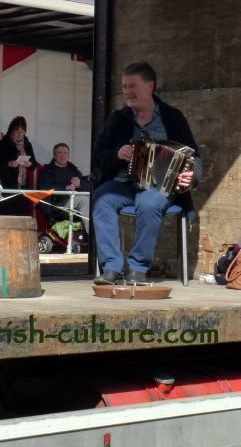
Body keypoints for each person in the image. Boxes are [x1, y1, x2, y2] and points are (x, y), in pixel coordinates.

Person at [93, 62, 202, 285]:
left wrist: (192, 174)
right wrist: (117, 153)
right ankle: (111, 267)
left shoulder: (173, 118)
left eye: (132, 86)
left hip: (159, 186)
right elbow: (99, 157)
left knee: (149, 202)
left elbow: (194, 157)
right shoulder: (118, 119)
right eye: (124, 87)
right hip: (123, 185)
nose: (127, 92)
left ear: (150, 85)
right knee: (101, 199)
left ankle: (137, 268)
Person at [37, 143, 90, 232]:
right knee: (84, 200)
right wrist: (65, 188)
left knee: (94, 200)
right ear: (54, 155)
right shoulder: (47, 170)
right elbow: (44, 189)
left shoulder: (72, 169)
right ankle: (92, 236)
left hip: (74, 202)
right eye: (60, 153)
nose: (63, 156)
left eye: (65, 153)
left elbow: (88, 186)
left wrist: (80, 184)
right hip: (55, 205)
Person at [0, 116, 37, 216]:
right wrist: (9, 164)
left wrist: (30, 164)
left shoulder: (27, 145)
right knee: (6, 217)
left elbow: (34, 165)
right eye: (17, 131)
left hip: (22, 188)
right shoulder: (2, 144)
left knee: (21, 217)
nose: (20, 135)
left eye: (22, 132)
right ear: (11, 131)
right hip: (6, 187)